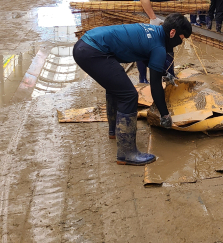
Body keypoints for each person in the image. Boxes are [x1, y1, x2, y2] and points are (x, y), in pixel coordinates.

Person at [73, 14, 192, 165]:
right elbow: (155, 86)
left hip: (86, 44)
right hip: (93, 51)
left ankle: (114, 131)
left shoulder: (154, 32)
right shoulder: (159, 46)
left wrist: (165, 74)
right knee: (128, 95)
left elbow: (148, 58)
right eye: (181, 38)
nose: (180, 43)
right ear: (173, 33)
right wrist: (165, 115)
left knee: (116, 86)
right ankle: (126, 153)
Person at [136, 0, 193, 84]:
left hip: (160, 12)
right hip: (143, 9)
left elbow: (171, 3)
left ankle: (169, 74)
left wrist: (169, 21)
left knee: (168, 42)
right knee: (144, 44)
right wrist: (153, 18)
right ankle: (143, 78)